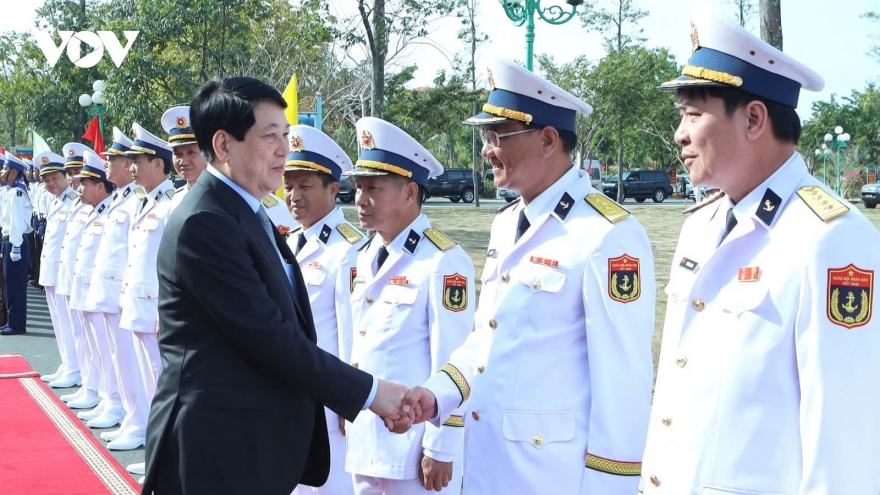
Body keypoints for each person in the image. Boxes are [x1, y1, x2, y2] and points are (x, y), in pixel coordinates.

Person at [637, 6, 880, 494]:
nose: (680, 134)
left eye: (693, 114)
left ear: (753, 118)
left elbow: (843, 440)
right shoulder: (701, 225)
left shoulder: (830, 238)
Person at [399, 58, 657, 494]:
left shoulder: (606, 235)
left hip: (551, 475)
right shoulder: (506, 222)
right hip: (489, 465)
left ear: (548, 139)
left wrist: (608, 488)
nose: (485, 149)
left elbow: (623, 383)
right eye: (484, 136)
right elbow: (487, 337)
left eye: (496, 136)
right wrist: (438, 392)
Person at [142, 76, 410, 495]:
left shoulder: (243, 207)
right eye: (270, 137)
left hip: (248, 446)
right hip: (214, 451)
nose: (284, 149)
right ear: (224, 145)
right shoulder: (206, 221)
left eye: (285, 135)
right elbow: (269, 336)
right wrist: (372, 392)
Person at [346, 117, 474, 495]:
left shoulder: (442, 261)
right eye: (358, 187)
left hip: (415, 450)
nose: (360, 199)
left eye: (374, 188)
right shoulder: (365, 255)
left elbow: (454, 360)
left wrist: (442, 447)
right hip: (366, 440)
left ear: (409, 192)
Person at [284, 125, 364, 495]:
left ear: (333, 189)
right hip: (290, 392)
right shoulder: (288, 241)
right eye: (288, 185)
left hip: (328, 402)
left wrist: (346, 401)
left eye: (305, 186)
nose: (293, 196)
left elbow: (352, 333)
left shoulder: (348, 249)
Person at [108, 122, 175, 453]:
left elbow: (171, 266)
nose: (131, 168)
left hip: (156, 310)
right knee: (146, 379)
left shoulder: (170, 205)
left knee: (160, 383)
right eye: (130, 162)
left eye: (138, 161)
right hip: (137, 304)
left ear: (159, 164)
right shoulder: (143, 202)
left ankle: (165, 450)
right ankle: (151, 439)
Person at [85, 129, 150, 461]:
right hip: (118, 292)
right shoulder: (125, 199)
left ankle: (139, 422)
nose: (109, 164)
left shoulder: (141, 199)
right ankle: (129, 414)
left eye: (116, 160)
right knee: (120, 358)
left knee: (134, 362)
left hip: (134, 295)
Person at [69, 150, 125, 430]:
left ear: (99, 186)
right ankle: (105, 397)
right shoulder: (103, 210)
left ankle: (117, 404)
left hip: (113, 294)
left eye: (84, 184)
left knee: (114, 351)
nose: (78, 188)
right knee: (100, 348)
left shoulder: (117, 207)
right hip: (94, 290)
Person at [56, 143, 99, 410]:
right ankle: (83, 377)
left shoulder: (95, 205)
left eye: (78, 174)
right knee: (78, 331)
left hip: (98, 284)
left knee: (101, 344)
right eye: (72, 172)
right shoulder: (78, 204)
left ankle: (95, 387)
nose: (74, 178)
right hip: (75, 276)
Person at [35, 151, 82, 387]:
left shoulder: (74, 201)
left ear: (65, 176)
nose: (50, 183)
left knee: (71, 324)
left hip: (66, 274)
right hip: (52, 272)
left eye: (55, 177)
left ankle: (76, 368)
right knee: (59, 321)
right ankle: (67, 363)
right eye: (46, 179)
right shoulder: (56, 202)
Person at [0, 152, 34, 335]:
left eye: (5, 168)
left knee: (15, 284)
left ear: (13, 172)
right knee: (9, 283)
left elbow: (16, 222)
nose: (2, 171)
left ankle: (17, 323)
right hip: (11, 242)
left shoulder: (16, 193)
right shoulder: (12, 191)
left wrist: (15, 246)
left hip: (16, 243)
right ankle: (12, 320)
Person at [160, 105, 208, 214]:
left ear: (206, 152)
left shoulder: (220, 198)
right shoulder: (176, 198)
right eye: (177, 154)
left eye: (191, 152)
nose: (183, 162)